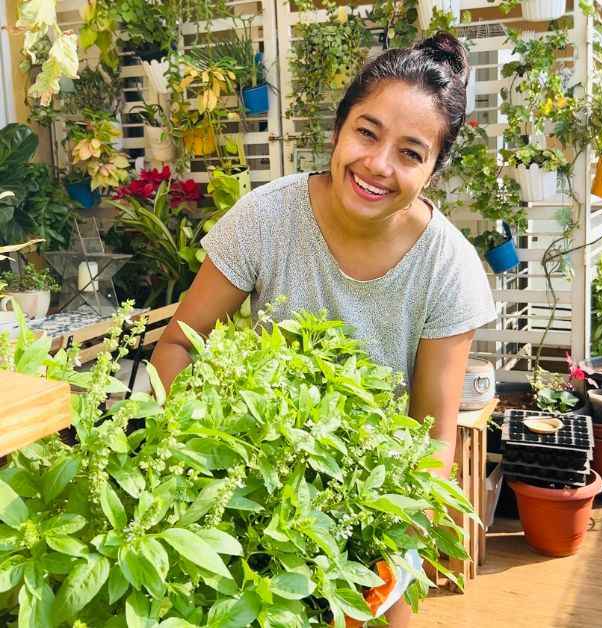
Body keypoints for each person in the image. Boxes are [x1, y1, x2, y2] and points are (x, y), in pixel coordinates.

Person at [149, 32, 495, 627]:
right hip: (256, 499)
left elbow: (435, 436)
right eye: (367, 132)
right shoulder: (266, 218)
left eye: (411, 153)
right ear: (338, 130)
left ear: (433, 170)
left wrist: (390, 541)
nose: (378, 165)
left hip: (370, 515)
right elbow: (179, 342)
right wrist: (196, 460)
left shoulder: (449, 266)